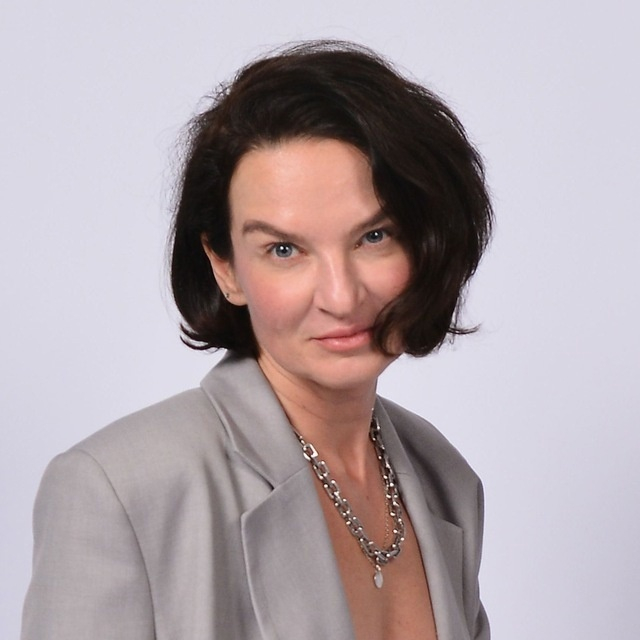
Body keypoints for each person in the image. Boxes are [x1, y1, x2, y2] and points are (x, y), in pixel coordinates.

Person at [22, 41, 493, 640]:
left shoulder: (445, 481)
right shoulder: (118, 490)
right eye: (284, 249)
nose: (340, 296)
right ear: (225, 268)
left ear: (427, 240)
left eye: (373, 236)